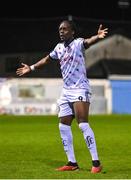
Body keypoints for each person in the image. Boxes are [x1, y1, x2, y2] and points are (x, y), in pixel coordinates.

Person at [16, 20, 108, 173]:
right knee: (63, 125)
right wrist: (31, 68)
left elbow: (88, 42)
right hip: (66, 91)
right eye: (60, 29)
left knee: (82, 124)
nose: (61, 31)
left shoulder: (78, 43)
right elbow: (47, 59)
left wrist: (97, 37)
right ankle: (72, 163)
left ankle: (96, 164)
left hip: (80, 89)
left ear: (72, 31)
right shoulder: (58, 48)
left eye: (65, 29)